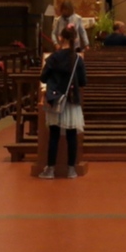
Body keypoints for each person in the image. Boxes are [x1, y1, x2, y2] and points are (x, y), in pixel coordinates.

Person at [37, 24, 87, 179]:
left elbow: (43, 77)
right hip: (71, 100)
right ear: (75, 39)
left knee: (54, 135)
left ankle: (50, 169)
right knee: (72, 135)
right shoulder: (77, 58)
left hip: (55, 99)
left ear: (61, 38)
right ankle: (71, 169)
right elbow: (83, 82)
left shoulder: (53, 57)